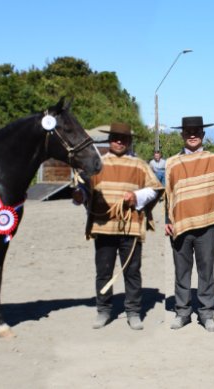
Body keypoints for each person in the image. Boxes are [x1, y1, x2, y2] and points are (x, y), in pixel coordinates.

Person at [72, 122, 163, 330]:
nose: (119, 142)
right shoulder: (97, 164)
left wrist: (136, 196)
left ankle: (133, 311)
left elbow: (155, 189)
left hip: (130, 227)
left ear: (129, 141)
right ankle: (103, 310)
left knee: (132, 271)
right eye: (115, 138)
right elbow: (85, 191)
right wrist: (79, 195)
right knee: (103, 271)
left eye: (123, 138)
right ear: (109, 139)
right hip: (103, 227)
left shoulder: (140, 165)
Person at [164, 116, 214, 332]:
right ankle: (182, 312)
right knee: (182, 271)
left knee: (205, 271)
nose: (192, 135)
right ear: (182, 134)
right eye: (188, 131)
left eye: (197, 131)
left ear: (203, 135)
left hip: (207, 225)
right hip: (179, 225)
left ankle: (207, 314)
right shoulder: (172, 163)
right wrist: (166, 221)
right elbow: (169, 195)